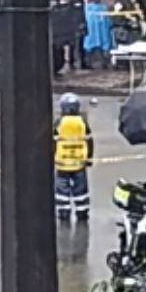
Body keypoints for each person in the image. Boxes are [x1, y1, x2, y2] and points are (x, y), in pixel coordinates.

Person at [54, 93, 94, 221]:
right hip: (79, 163)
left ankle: (64, 211)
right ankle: (82, 212)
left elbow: (53, 142)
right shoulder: (82, 122)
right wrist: (89, 158)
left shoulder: (59, 123)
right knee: (81, 190)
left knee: (62, 190)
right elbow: (89, 141)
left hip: (62, 164)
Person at [81, 0, 113, 69]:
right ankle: (87, 63)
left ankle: (104, 63)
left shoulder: (103, 7)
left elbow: (108, 20)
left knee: (103, 48)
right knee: (89, 47)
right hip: (91, 31)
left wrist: (109, 26)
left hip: (102, 31)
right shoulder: (87, 7)